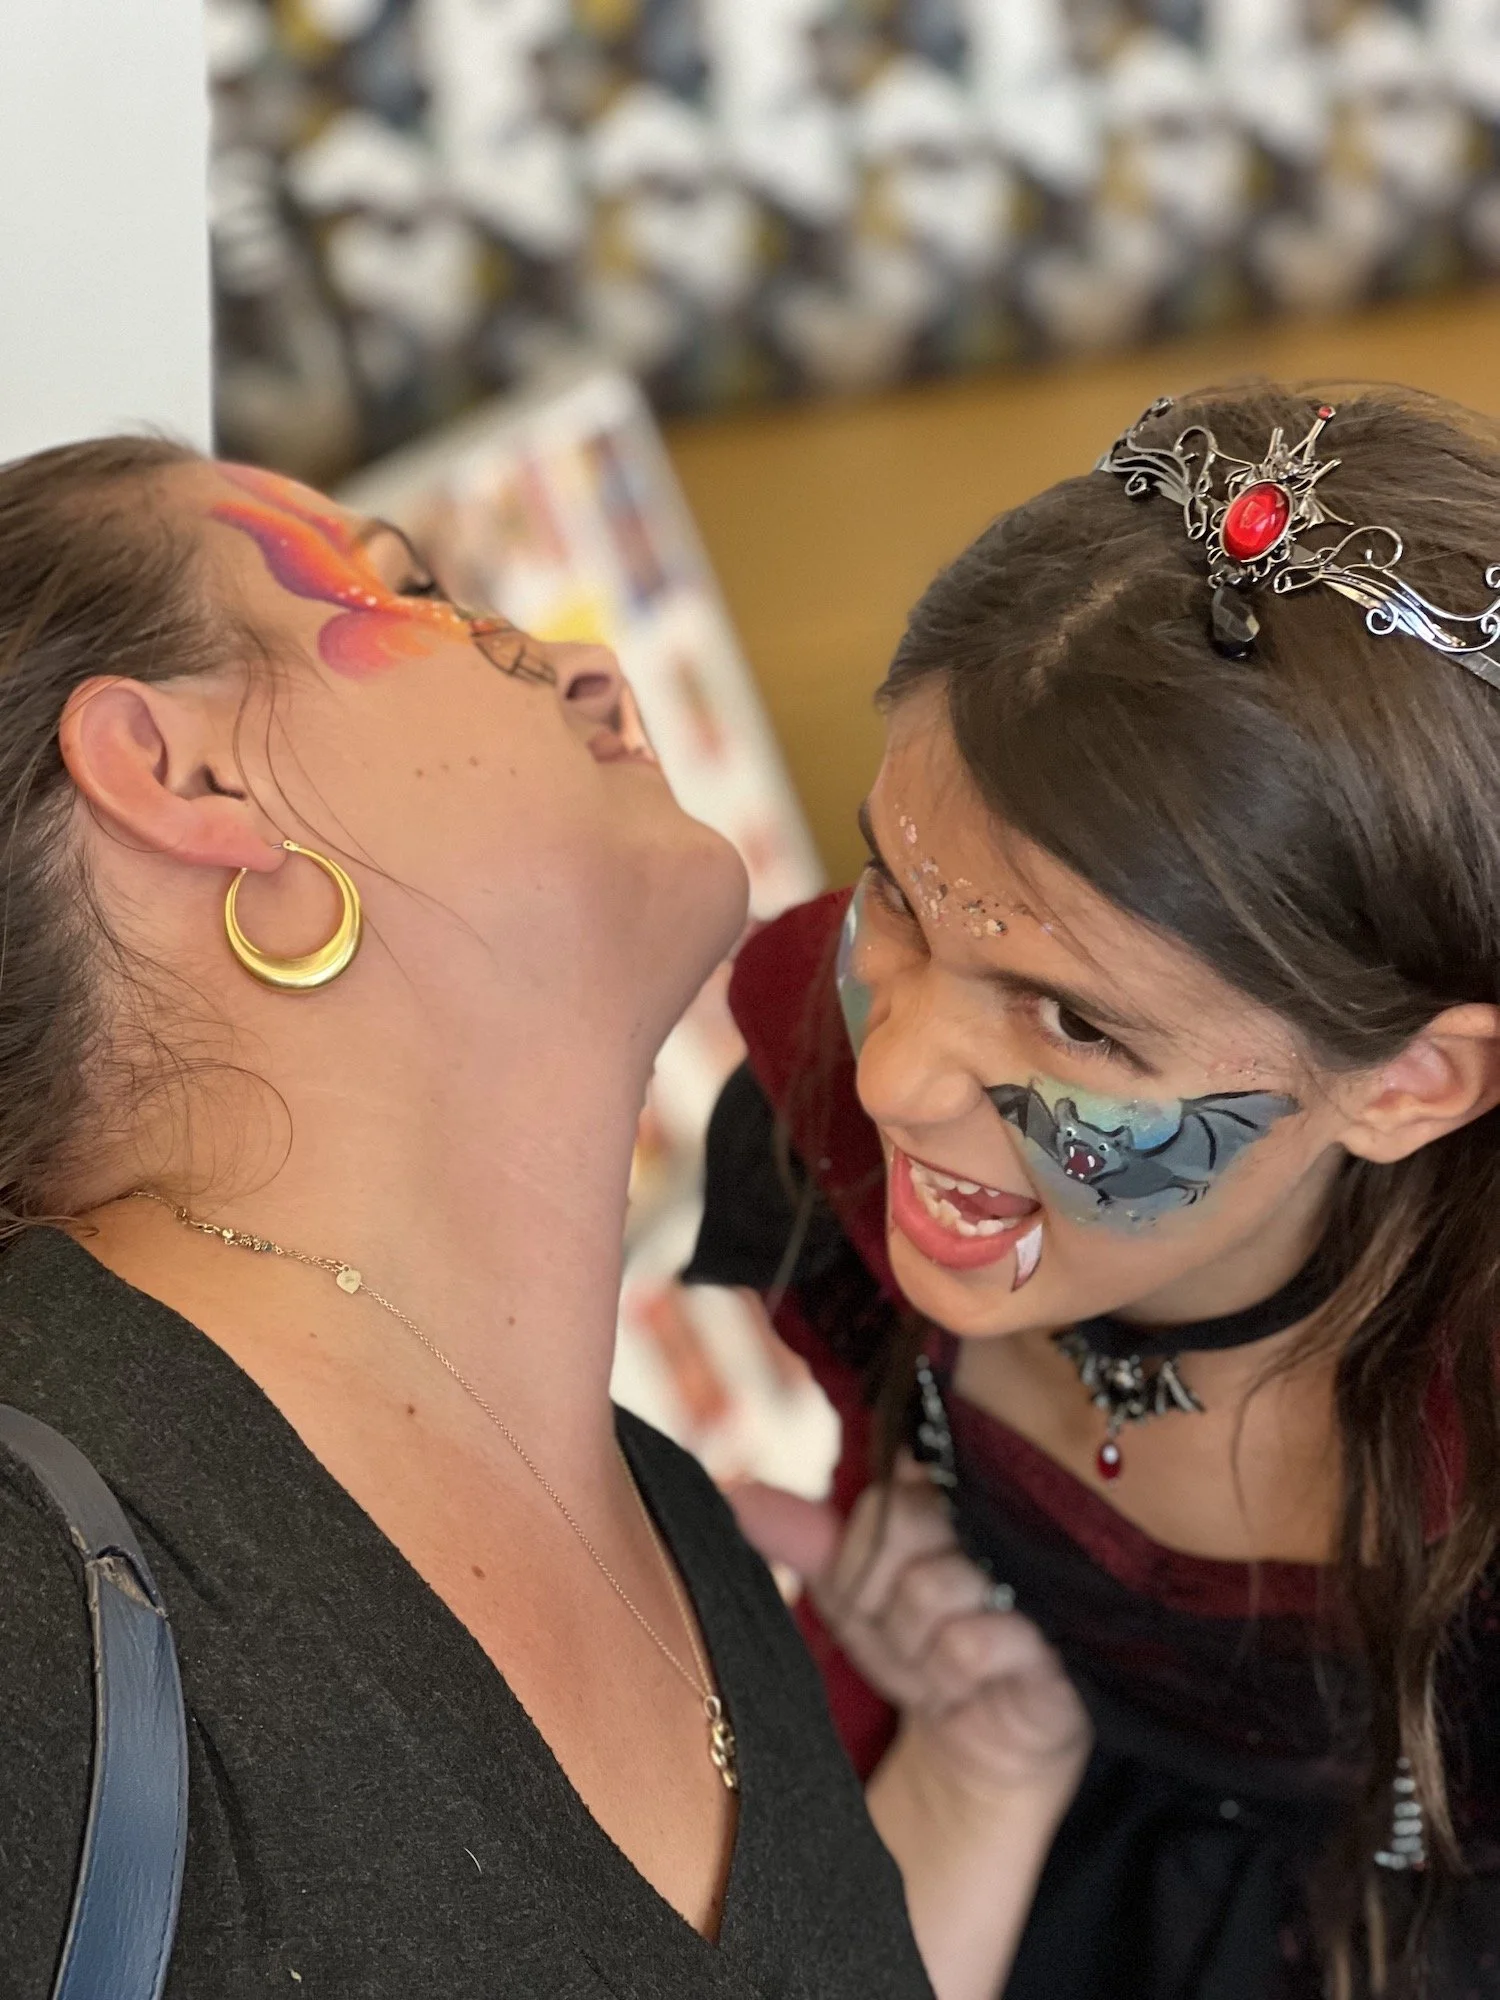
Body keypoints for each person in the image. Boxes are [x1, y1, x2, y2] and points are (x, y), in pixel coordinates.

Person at [0, 437, 937, 1998]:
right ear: (184, 776)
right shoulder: (32, 1578)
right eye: (417, 589)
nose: (587, 667)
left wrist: (981, 1771)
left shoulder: (694, 1548)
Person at [686, 383, 1500, 1999]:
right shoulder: (828, 1109)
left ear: (1410, 1084)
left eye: (1074, 1024)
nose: (896, 1077)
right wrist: (967, 1754)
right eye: (898, 897)